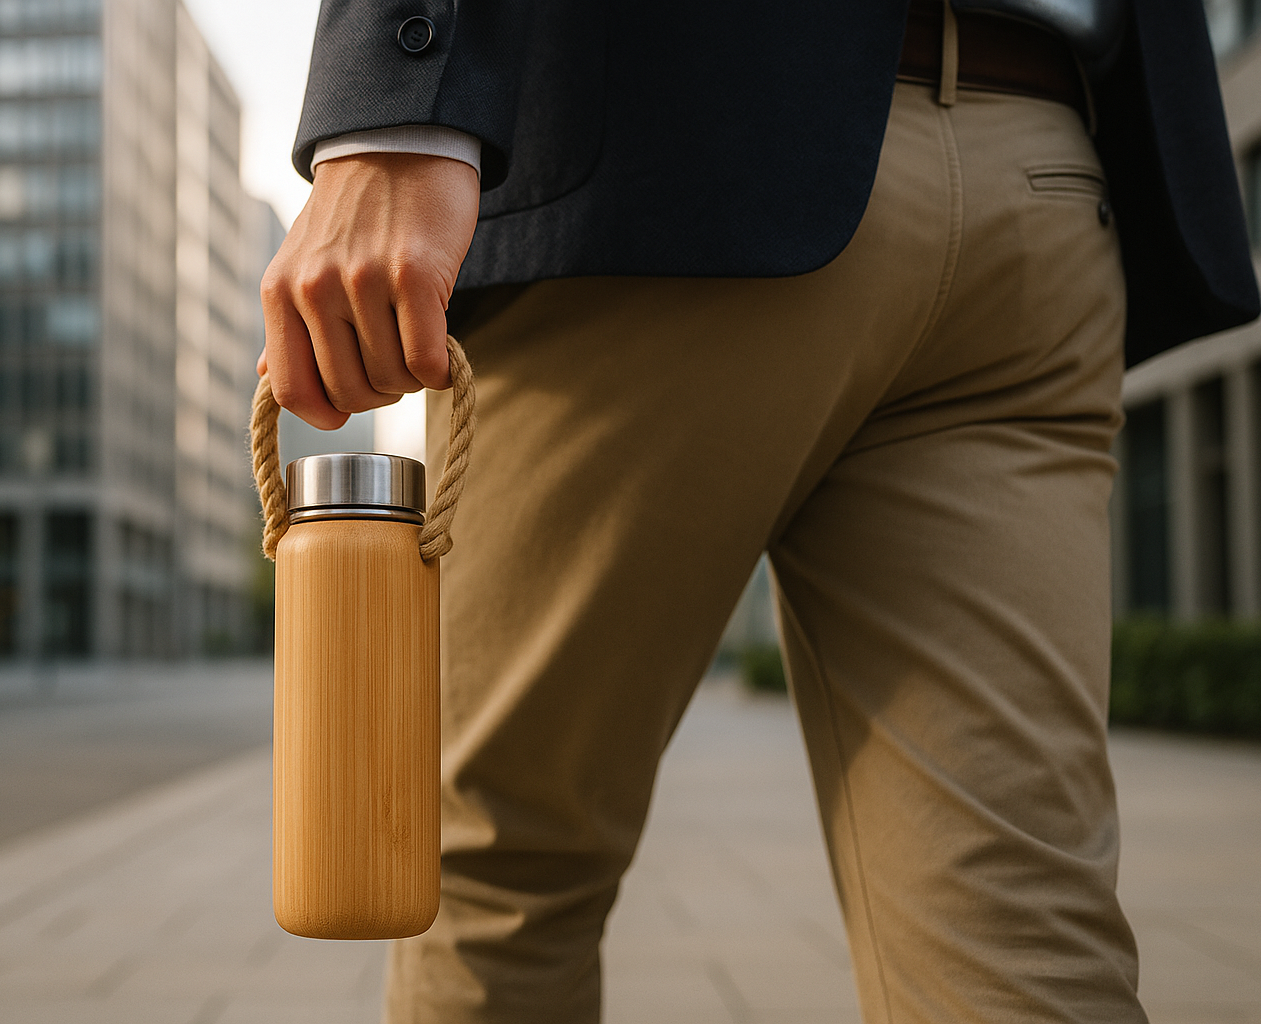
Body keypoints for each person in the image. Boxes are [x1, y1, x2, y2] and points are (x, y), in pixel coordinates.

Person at [257, 1, 1259, 1020]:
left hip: (689, 164)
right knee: (1020, 932)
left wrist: (395, 105)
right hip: (1040, 180)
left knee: (500, 877)